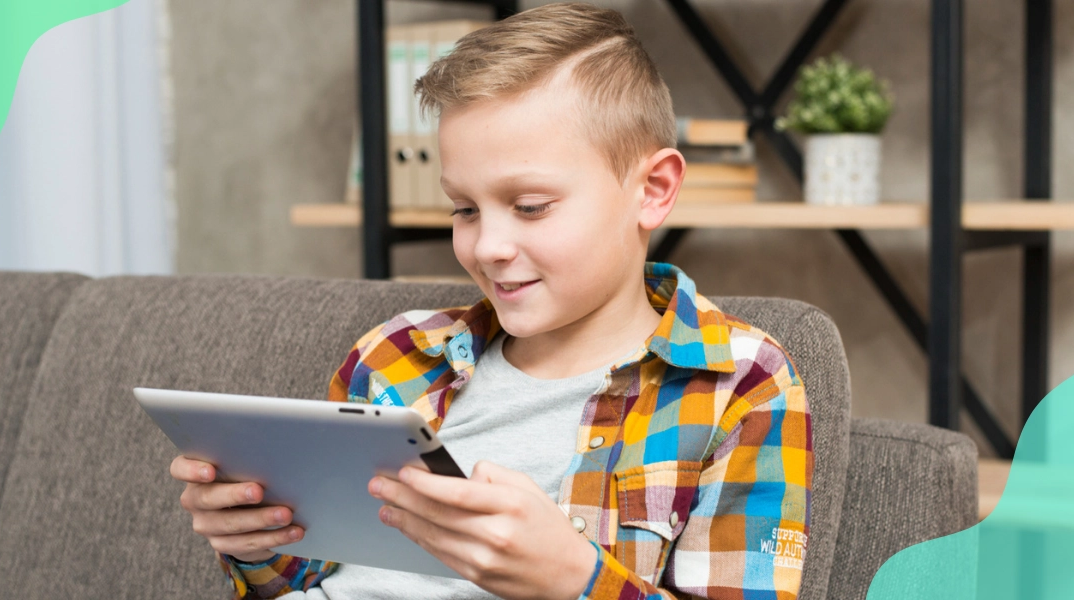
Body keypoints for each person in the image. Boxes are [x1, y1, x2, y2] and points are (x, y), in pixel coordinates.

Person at [170, 3, 813, 598]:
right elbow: (302, 575)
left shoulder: (741, 383)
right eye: (465, 208)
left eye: (530, 207)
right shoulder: (395, 356)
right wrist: (257, 539)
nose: (489, 246)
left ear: (652, 190)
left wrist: (575, 578)